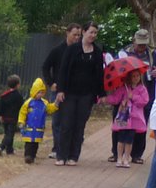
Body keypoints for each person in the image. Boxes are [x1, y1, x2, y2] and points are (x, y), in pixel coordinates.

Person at [55, 22, 105, 165]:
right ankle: (61, 155)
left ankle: (73, 156)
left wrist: (101, 94)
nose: (93, 35)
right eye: (91, 32)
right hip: (69, 93)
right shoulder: (72, 49)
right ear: (84, 32)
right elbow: (63, 70)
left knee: (79, 125)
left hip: (86, 94)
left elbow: (99, 74)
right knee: (66, 124)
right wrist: (60, 90)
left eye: (95, 33)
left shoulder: (97, 52)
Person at [112, 29, 155, 163]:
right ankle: (116, 153)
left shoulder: (152, 54)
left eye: (144, 44)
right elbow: (116, 69)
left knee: (140, 126)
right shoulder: (124, 53)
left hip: (145, 94)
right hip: (125, 95)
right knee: (119, 124)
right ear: (134, 40)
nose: (141, 47)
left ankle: (136, 154)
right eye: (139, 44)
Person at [42, 23, 81, 158]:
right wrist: (50, 83)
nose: (77, 37)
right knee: (57, 120)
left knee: (72, 120)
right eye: (74, 34)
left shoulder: (81, 50)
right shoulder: (58, 50)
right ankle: (57, 148)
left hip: (74, 90)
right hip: (58, 89)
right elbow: (45, 66)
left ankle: (69, 149)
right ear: (67, 33)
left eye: (79, 35)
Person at [104, 66, 149, 167]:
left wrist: (133, 96)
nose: (136, 78)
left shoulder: (142, 89)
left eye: (138, 76)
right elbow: (115, 98)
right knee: (120, 139)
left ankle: (126, 158)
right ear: (129, 77)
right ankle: (119, 157)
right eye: (133, 76)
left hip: (134, 119)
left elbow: (144, 101)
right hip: (124, 117)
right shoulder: (124, 88)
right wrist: (105, 99)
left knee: (129, 140)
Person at [17, 77, 57, 163]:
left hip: (38, 128)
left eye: (42, 93)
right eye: (39, 92)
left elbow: (50, 109)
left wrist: (56, 103)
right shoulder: (28, 102)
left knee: (35, 143)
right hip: (29, 127)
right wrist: (21, 122)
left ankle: (33, 156)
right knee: (29, 143)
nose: (41, 94)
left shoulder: (44, 102)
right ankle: (28, 156)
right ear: (34, 91)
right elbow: (22, 112)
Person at [0, 74, 23, 156]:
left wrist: (0, 115)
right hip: (13, 118)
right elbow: (21, 107)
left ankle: (10, 150)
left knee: (7, 133)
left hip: (5, 118)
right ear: (18, 85)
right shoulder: (18, 96)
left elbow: (0, 106)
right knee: (10, 135)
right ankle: (1, 146)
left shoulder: (4, 95)